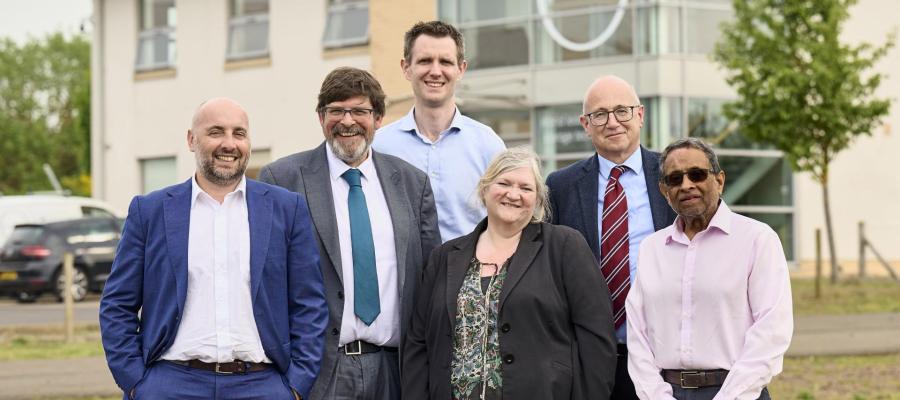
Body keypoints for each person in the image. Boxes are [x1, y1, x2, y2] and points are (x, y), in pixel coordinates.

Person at [99, 98, 328, 400]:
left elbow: (309, 303)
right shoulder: (150, 211)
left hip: (262, 386)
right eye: (216, 132)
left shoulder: (286, 209)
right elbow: (117, 305)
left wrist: (295, 386)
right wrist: (136, 383)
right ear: (191, 140)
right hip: (170, 384)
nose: (229, 144)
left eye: (239, 133)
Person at [258, 67, 441, 400]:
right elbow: (264, 282)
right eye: (336, 111)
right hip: (318, 372)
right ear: (320, 117)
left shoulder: (413, 184)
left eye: (359, 111)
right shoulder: (282, 180)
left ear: (379, 118)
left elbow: (432, 279)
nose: (347, 121)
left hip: (396, 372)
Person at [403, 147, 617, 400]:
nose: (513, 194)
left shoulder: (564, 246)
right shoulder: (444, 256)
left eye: (526, 188)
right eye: (504, 183)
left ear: (538, 199)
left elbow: (596, 336)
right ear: (485, 189)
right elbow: (418, 340)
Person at [626, 137, 793, 400]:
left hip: (738, 393)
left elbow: (771, 331)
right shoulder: (651, 249)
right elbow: (638, 334)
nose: (686, 185)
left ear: (720, 180)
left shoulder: (757, 240)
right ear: (664, 191)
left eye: (697, 174)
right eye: (675, 179)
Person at [545, 75, 677, 399]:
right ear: (585, 124)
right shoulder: (561, 186)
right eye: (600, 114)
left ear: (641, 115)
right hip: (590, 359)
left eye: (622, 111)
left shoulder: (675, 174)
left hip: (666, 356)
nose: (612, 122)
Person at [373, 20, 506, 243]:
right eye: (425, 61)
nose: (435, 71)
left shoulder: (487, 145)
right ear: (406, 68)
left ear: (461, 69)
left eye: (445, 61)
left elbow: (507, 220)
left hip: (470, 276)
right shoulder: (378, 146)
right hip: (403, 277)